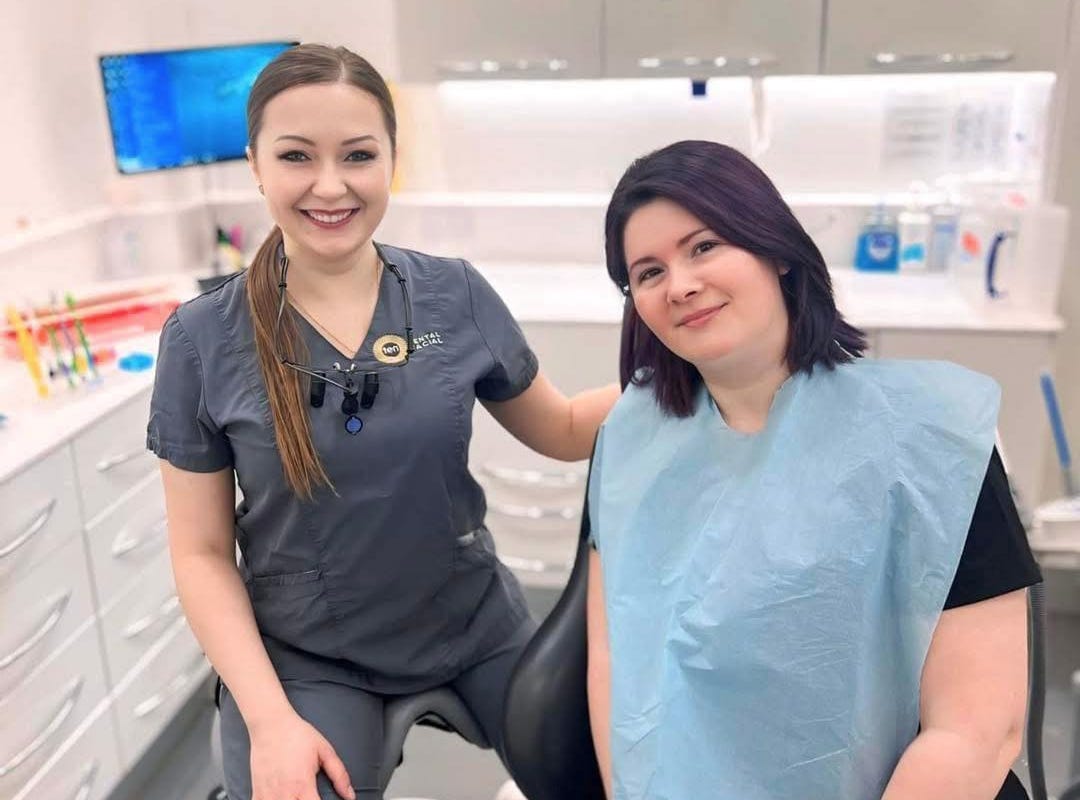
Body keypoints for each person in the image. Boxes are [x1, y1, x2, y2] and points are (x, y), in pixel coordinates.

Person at [147, 44, 618, 800]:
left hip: (472, 625)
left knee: (609, 768)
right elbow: (201, 554)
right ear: (256, 165)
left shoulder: (453, 294)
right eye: (296, 156)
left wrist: (685, 373)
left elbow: (561, 428)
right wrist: (269, 721)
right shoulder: (202, 338)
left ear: (392, 160)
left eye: (358, 155)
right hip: (310, 652)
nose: (330, 185)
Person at [585, 140, 1041, 800]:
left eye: (704, 246)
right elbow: (615, 662)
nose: (680, 285)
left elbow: (977, 729)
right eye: (649, 272)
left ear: (774, 249)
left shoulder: (929, 439)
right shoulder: (633, 445)